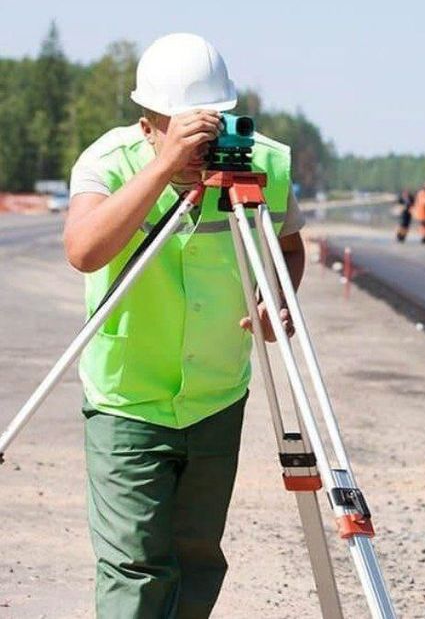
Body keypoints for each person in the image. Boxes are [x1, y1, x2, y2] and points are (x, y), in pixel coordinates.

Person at [64, 33, 306, 618]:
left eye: (213, 122)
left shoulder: (261, 162)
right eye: (186, 127)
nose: (205, 140)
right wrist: (165, 168)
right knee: (136, 563)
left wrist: (278, 298)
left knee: (198, 556)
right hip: (129, 396)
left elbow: (290, 247)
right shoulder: (107, 162)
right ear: (148, 122)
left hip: (216, 392)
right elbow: (84, 250)